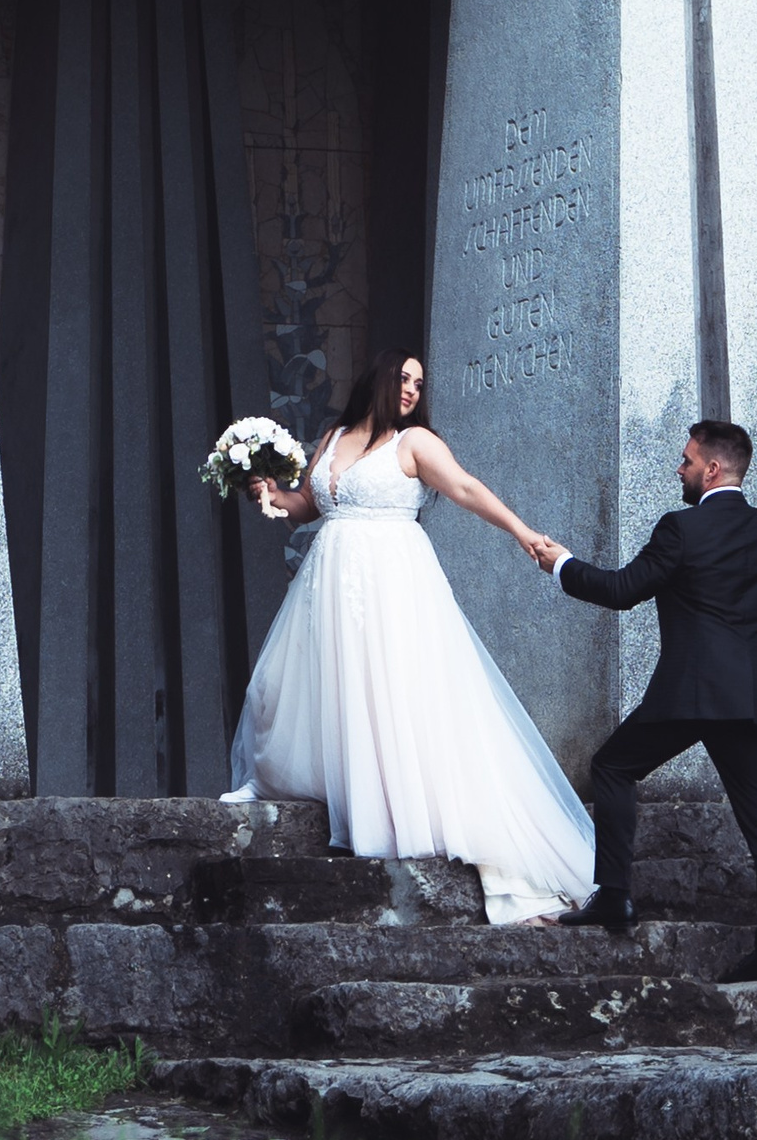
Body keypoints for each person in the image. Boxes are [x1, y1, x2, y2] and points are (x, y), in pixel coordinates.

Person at [227, 346, 595, 926]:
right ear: (377, 376)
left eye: (419, 384)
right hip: (329, 585)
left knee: (393, 690)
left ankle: (401, 811)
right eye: (403, 379)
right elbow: (306, 507)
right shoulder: (332, 437)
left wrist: (523, 533)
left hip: (392, 584)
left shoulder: (415, 444)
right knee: (303, 688)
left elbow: (467, 490)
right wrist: (268, 492)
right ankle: (324, 786)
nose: (411, 391)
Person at [531, 416, 757, 982]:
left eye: (685, 460)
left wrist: (560, 564)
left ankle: (615, 895)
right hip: (750, 702)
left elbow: (622, 591)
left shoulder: (681, 529)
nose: (678, 469)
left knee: (612, 765)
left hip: (689, 694)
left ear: (712, 469)